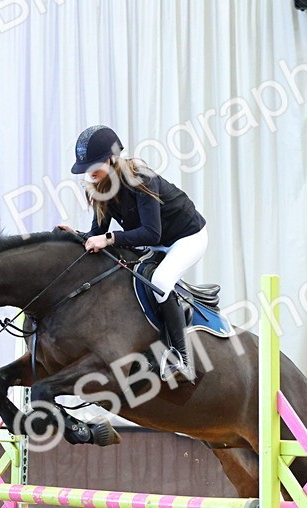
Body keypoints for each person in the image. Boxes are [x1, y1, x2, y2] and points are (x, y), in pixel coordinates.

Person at [59, 125, 207, 382]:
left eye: (94, 164)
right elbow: (98, 232)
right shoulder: (100, 188)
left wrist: (107, 239)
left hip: (187, 238)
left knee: (160, 282)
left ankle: (182, 358)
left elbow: (151, 234)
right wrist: (76, 236)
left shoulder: (140, 179)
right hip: (158, 243)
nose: (89, 171)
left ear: (111, 158)